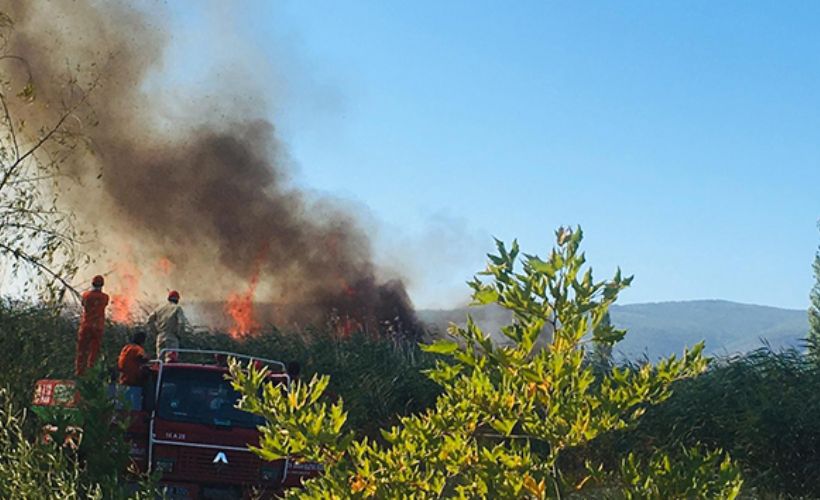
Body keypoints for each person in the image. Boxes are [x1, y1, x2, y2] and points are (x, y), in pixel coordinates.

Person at [75, 275, 109, 376]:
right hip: (98, 327)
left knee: (82, 350)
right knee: (94, 351)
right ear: (102, 285)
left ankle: (80, 373)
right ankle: (91, 373)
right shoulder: (105, 297)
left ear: (92, 284)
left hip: (86, 326)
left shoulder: (86, 295)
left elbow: (83, 304)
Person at [147, 290, 188, 362]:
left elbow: (149, 320)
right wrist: (179, 334)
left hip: (160, 337)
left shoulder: (159, 308)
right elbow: (181, 323)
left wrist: (156, 332)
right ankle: (170, 373)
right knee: (171, 360)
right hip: (172, 337)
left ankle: (160, 373)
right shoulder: (177, 308)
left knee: (160, 361)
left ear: (168, 298)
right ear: (177, 300)